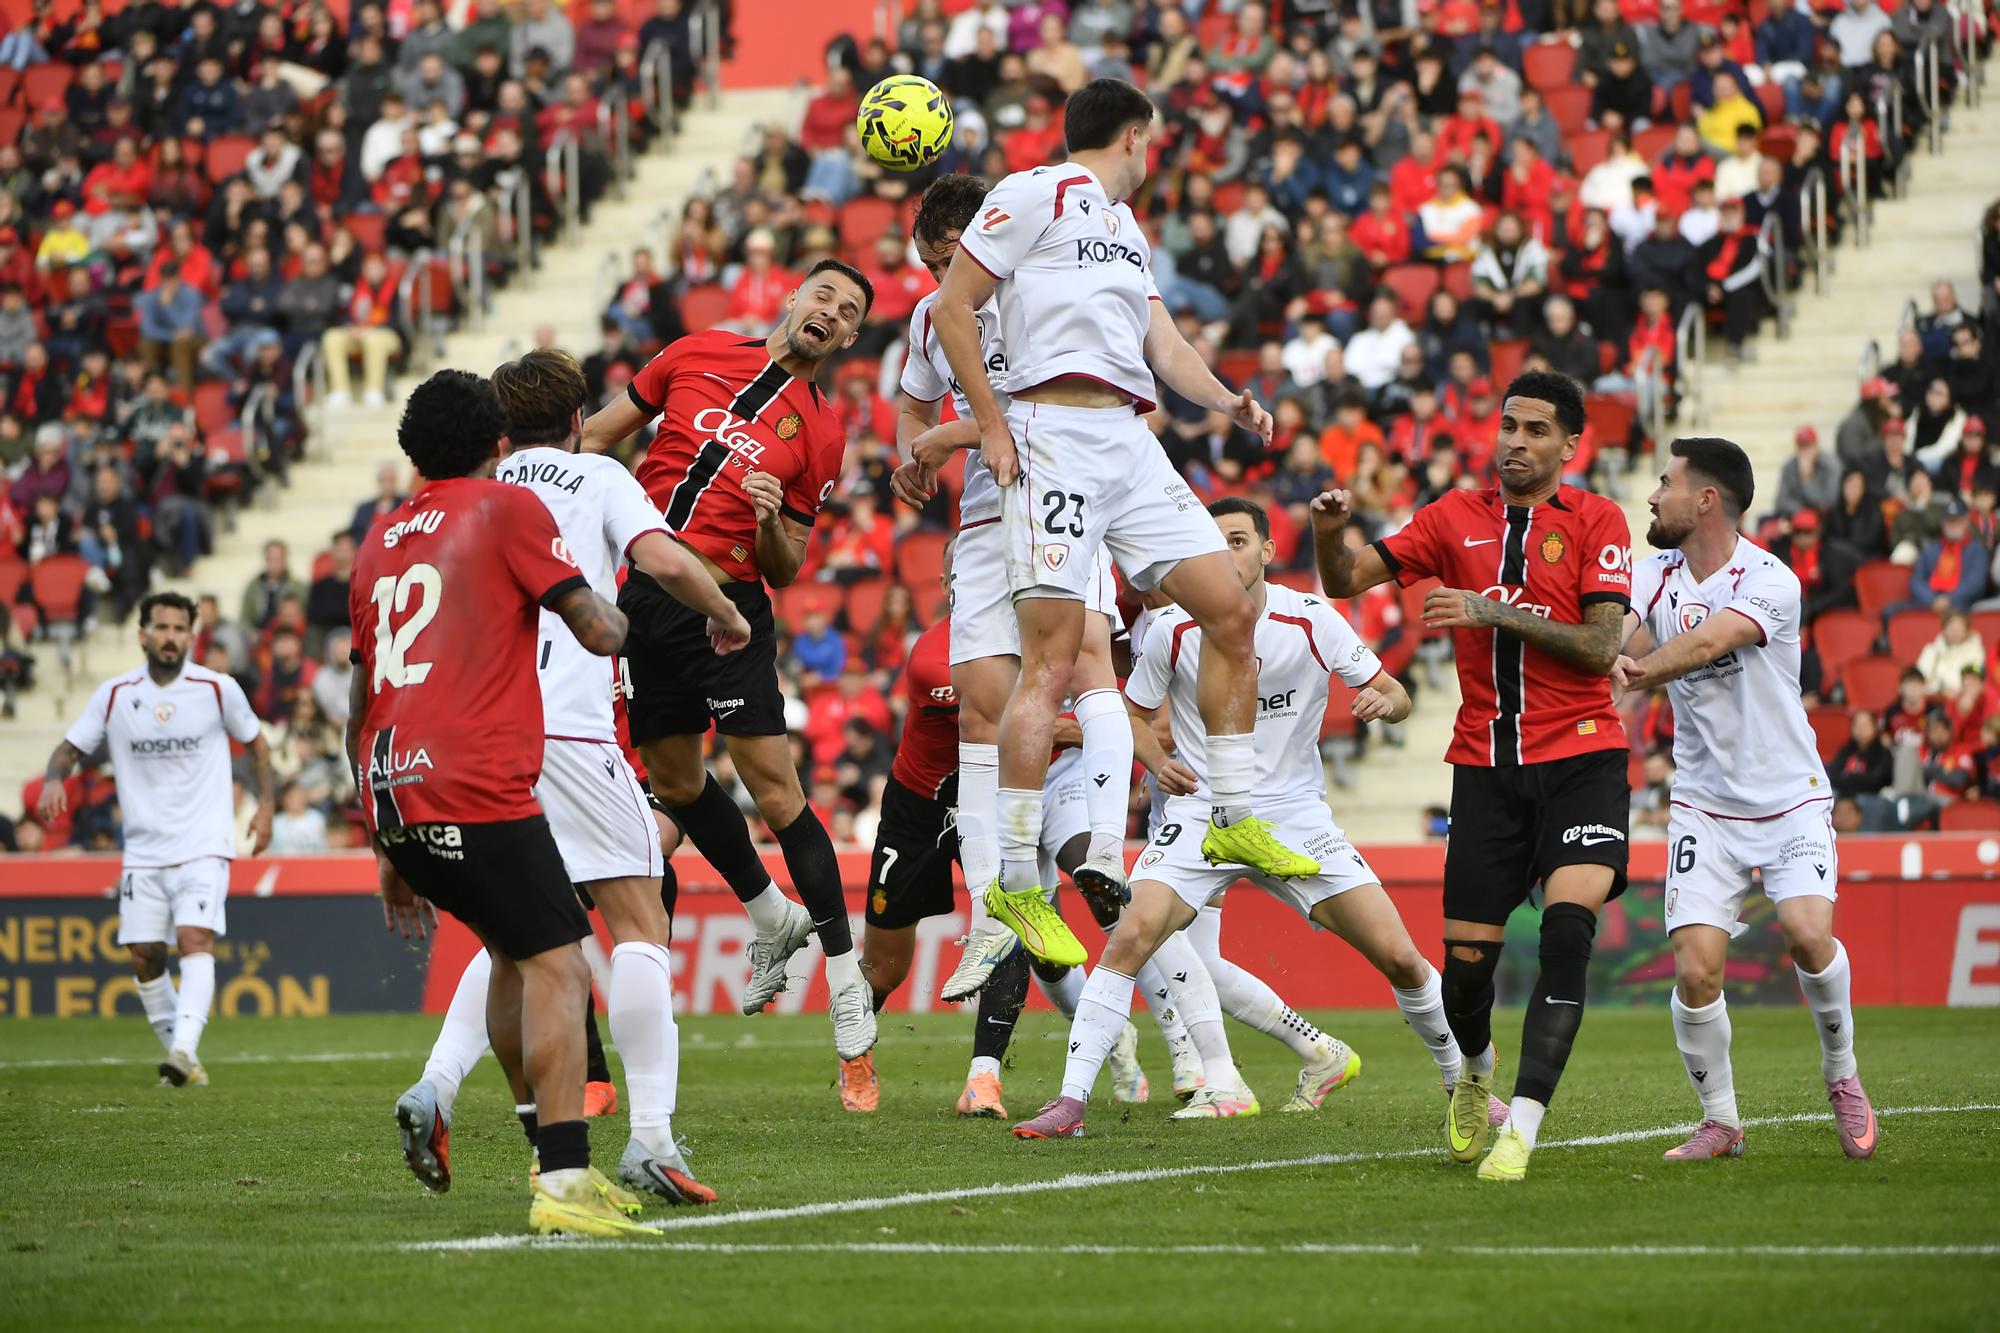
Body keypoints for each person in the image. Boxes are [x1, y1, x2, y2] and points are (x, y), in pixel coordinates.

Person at [932, 78, 1310, 972]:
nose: (1156, 155)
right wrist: (990, 424)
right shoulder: (1033, 191)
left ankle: (1234, 813)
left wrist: (1228, 401)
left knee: (1231, 608)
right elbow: (952, 307)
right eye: (1156, 140)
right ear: (1135, 136)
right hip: (1051, 433)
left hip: (1128, 440)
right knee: (1054, 661)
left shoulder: (1124, 228)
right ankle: (1016, 881)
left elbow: (1163, 347)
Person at [394, 349, 749, 1208]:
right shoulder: (597, 474)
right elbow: (664, 560)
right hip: (566, 729)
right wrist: (727, 614)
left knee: (515, 940)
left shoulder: (468, 494)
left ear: (500, 429)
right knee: (639, 922)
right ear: (581, 419)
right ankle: (652, 1137)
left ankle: (439, 1083)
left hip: (473, 737)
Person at [1011, 500, 1469, 1138]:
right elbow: (1132, 717)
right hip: (1200, 815)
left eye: (1238, 540)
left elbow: (1397, 692)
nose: (1227, 554)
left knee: (1400, 958)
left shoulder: (1310, 618)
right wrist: (1156, 761)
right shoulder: (1172, 628)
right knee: (1129, 938)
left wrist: (1382, 703)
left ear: (1266, 551)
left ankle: (1463, 1083)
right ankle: (1071, 1102)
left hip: (1294, 817)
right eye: (1215, 541)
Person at [345, 369, 647, 1240]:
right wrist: (627, 614)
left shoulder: (377, 539)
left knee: (515, 958)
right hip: (475, 779)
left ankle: (545, 1154)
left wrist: (384, 844)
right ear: (499, 443)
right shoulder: (507, 508)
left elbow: (361, 703)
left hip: (397, 788)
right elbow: (596, 628)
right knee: (563, 968)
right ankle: (564, 1177)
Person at [1315, 370, 1634, 1183]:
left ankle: (1520, 1130)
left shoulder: (1598, 519)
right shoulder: (1451, 515)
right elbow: (1344, 580)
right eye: (1508, 425)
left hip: (1582, 758)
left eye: (1536, 430)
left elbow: (1602, 646)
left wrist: (1492, 611)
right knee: (1463, 975)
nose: (1515, 442)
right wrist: (1326, 532)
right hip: (1485, 768)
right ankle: (1477, 1068)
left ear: (1570, 444)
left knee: (1567, 933)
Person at [578, 258, 882, 1066]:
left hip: (730, 613)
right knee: (676, 782)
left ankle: (844, 976)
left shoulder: (822, 432)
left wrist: (772, 520)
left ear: (849, 338)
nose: (832, 311)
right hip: (644, 603)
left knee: (776, 791)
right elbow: (597, 437)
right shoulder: (695, 352)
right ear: (793, 297)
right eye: (824, 295)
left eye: (848, 311)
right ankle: (771, 914)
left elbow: (788, 566)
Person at [885, 174, 1135, 1001]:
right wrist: (912, 455)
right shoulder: (933, 318)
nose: (940, 277)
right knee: (978, 709)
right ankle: (992, 911)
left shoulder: (1049, 292)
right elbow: (913, 410)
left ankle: (1106, 848)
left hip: (1063, 497)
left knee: (1085, 663)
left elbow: (1074, 410)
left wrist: (952, 434)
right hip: (986, 520)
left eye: (949, 259)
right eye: (929, 265)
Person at [850, 547, 1199, 1116]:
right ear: (948, 581)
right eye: (961, 572)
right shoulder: (939, 655)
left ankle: (989, 1078)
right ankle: (1113, 1039)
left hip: (1038, 787)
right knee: (895, 966)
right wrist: (1099, 727)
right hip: (933, 803)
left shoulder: (1052, 621)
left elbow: (1121, 696)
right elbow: (1017, 726)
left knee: (1075, 894)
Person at [1616, 437, 1877, 1160]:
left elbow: (1710, 642)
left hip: (1790, 797)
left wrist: (1635, 673)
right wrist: (1600, 654)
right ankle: (1722, 1120)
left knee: (1807, 935)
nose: (1652, 496)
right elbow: (1612, 631)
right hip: (1704, 803)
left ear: (1705, 500)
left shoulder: (1771, 579)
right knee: (1695, 968)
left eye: (1665, 483)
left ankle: (1842, 1071)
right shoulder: (1652, 574)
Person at [38, 592, 274, 1087]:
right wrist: (54, 778)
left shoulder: (216, 689)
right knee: (145, 955)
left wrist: (266, 806)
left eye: (179, 629)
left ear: (192, 636)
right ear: (142, 634)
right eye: (162, 628)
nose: (170, 637)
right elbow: (70, 747)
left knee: (194, 938)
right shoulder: (115, 694)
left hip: (203, 843)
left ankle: (183, 1051)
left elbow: (257, 744)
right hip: (144, 851)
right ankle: (182, 1057)